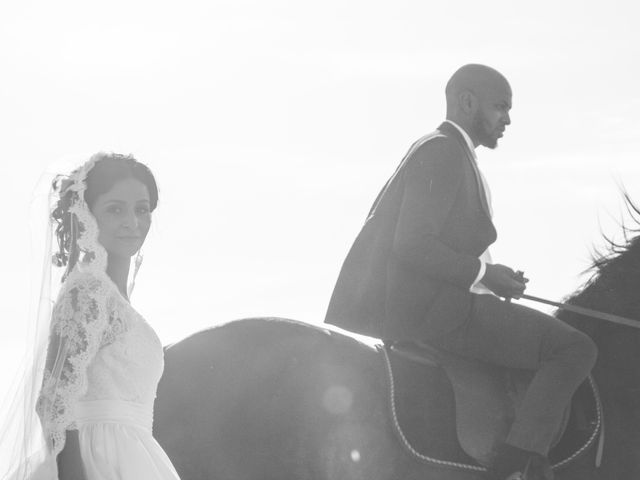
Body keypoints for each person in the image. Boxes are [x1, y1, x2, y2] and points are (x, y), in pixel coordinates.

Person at [325, 64, 597, 480]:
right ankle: (518, 465)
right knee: (575, 349)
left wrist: (492, 275)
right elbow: (412, 243)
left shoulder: (449, 151)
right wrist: (484, 275)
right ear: (467, 101)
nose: (507, 119)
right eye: (500, 106)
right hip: (440, 313)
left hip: (446, 303)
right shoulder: (443, 151)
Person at [1, 153, 180, 479]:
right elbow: (53, 401)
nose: (132, 221)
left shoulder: (116, 301)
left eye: (141, 209)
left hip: (136, 459)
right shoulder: (88, 292)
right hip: (93, 462)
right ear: (86, 215)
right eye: (115, 209)